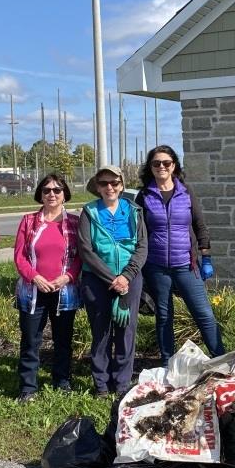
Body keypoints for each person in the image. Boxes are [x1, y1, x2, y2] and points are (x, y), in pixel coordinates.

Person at [134, 145, 225, 365]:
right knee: (164, 316)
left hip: (186, 264)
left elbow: (200, 225)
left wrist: (206, 258)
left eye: (166, 162)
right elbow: (136, 232)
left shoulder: (185, 192)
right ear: (150, 167)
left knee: (204, 314)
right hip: (156, 267)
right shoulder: (144, 196)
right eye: (156, 163)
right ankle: (167, 363)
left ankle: (221, 359)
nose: (162, 167)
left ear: (174, 165)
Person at [78, 165, 147, 397]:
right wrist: (112, 279)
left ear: (122, 185)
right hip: (97, 280)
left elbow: (142, 247)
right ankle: (101, 384)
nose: (110, 187)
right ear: (97, 187)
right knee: (101, 331)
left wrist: (126, 277)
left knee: (126, 330)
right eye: (104, 183)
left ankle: (122, 383)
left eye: (114, 183)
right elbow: (86, 249)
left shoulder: (134, 211)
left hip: (130, 279)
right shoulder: (89, 212)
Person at [13, 173, 82, 402]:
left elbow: (81, 256)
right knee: (31, 340)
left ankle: (62, 381)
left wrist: (68, 277)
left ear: (65, 194)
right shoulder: (28, 221)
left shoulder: (74, 223)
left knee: (63, 340)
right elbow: (20, 256)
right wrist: (35, 278)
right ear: (40, 195)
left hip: (64, 291)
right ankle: (28, 387)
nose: (52, 194)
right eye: (46, 190)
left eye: (57, 190)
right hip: (33, 291)